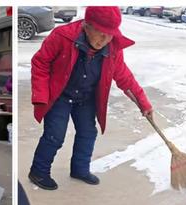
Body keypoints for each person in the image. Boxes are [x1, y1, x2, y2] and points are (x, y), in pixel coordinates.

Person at [29, 6, 153, 190]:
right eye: (101, 33)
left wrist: (143, 103)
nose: (105, 39)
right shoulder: (62, 36)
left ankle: (79, 169)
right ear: (87, 26)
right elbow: (40, 62)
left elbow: (124, 78)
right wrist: (41, 94)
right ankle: (38, 171)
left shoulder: (112, 48)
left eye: (110, 35)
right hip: (60, 96)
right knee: (55, 135)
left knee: (88, 133)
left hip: (85, 98)